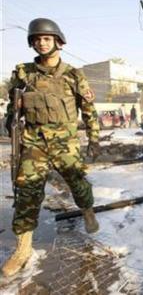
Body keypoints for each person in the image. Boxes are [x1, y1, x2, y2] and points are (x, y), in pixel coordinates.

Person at [1, 18, 101, 277]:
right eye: (37, 39)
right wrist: (12, 117)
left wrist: (94, 140)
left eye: (46, 38)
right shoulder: (24, 74)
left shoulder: (73, 75)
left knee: (78, 183)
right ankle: (23, 249)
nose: (41, 43)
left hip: (65, 143)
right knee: (26, 192)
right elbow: (13, 110)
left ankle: (88, 211)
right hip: (34, 142)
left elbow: (89, 112)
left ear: (58, 41)